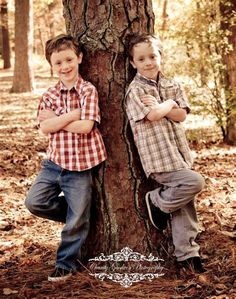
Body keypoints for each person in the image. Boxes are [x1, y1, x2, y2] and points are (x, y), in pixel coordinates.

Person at [25, 34, 107, 282]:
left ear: (80, 58)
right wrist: (72, 114)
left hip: (81, 165)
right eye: (58, 63)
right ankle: (78, 218)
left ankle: (65, 264)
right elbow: (45, 128)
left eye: (69, 59)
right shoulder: (49, 93)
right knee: (34, 202)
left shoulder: (88, 90)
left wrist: (57, 120)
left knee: (76, 218)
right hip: (54, 162)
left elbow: (87, 127)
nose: (65, 66)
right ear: (52, 66)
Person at [125, 33, 205, 273]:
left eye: (153, 56)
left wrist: (166, 105)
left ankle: (187, 255)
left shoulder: (173, 84)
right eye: (141, 59)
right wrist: (169, 106)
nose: (148, 62)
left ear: (160, 56)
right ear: (133, 63)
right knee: (195, 182)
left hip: (179, 154)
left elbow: (181, 115)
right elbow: (152, 116)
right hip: (159, 158)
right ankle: (157, 202)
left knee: (185, 205)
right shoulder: (135, 90)